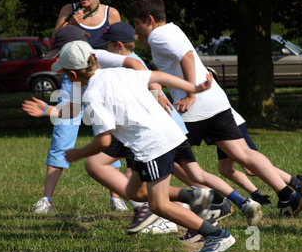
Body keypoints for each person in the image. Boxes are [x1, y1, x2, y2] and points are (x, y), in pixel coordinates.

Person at [23, 40, 235, 252]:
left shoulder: (94, 95)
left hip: (153, 145)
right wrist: (193, 88)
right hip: (168, 133)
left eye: (66, 74)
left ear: (74, 76)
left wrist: (78, 153)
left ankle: (217, 235)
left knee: (159, 205)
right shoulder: (117, 73)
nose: (66, 78)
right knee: (134, 192)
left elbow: (104, 141)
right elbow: (157, 76)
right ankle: (197, 196)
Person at [128, 0, 302, 217]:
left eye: (137, 23)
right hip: (216, 100)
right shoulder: (171, 30)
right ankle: (288, 197)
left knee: (167, 157)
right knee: (243, 153)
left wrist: (190, 94)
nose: (136, 29)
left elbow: (186, 57)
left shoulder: (158, 35)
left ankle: (212, 200)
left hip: (194, 108)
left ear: (149, 19)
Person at [86, 22, 263, 232]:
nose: (103, 52)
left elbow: (151, 79)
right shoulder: (120, 65)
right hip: (161, 127)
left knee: (153, 178)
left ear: (117, 46)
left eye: (106, 46)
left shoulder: (126, 64)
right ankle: (241, 202)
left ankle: (178, 213)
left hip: (154, 130)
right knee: (193, 175)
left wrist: (157, 95)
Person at [33, 0, 123, 213]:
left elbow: (119, 47)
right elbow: (55, 41)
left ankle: (116, 197)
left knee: (108, 137)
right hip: (72, 82)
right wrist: (71, 24)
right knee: (62, 135)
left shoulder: (110, 13)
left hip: (101, 83)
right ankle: (46, 199)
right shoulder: (68, 10)